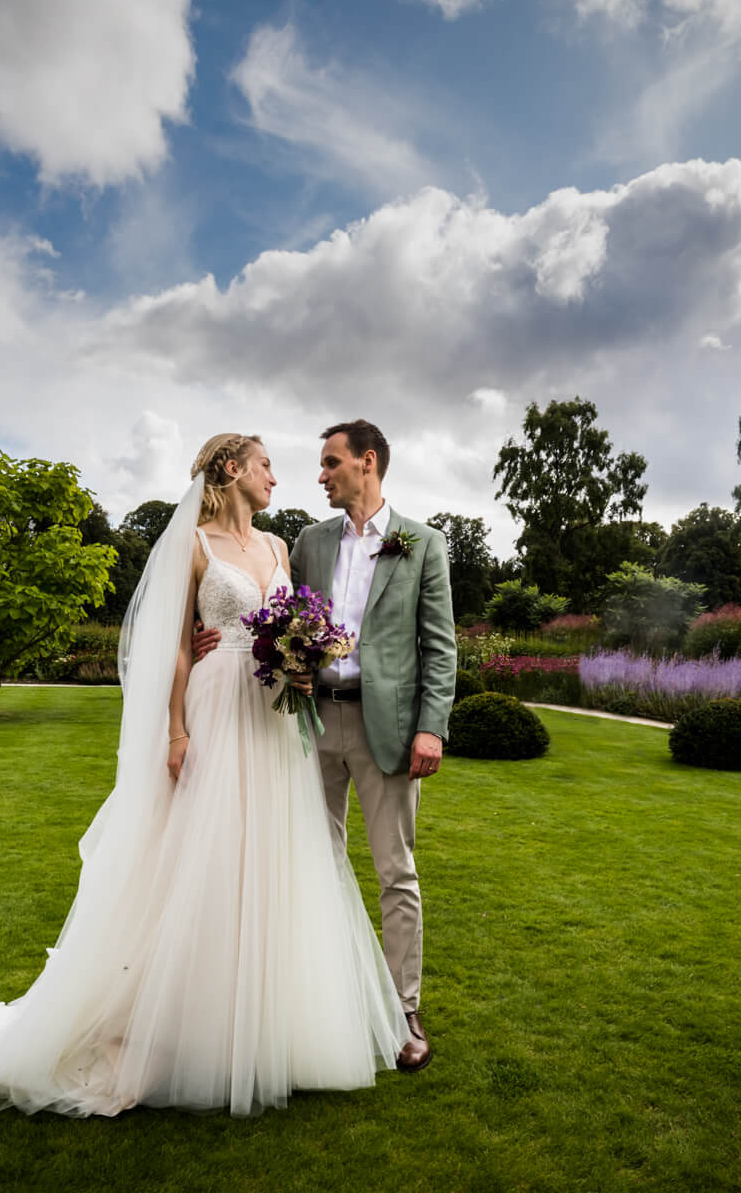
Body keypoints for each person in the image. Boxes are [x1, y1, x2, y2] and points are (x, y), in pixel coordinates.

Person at [0, 433, 406, 1117]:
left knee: (267, 864)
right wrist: (176, 729)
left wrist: (302, 659)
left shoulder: (276, 548)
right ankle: (148, 1031)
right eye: (266, 464)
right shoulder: (195, 544)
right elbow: (178, 649)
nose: (278, 476)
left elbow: (295, 622)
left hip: (271, 718)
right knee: (192, 863)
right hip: (214, 707)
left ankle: (264, 1030)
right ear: (233, 469)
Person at [193, 420, 456, 1072]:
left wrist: (431, 725)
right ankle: (328, 1004)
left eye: (331, 463)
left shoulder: (421, 544)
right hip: (304, 725)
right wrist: (207, 638)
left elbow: (440, 646)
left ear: (367, 463)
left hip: (387, 729)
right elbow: (267, 614)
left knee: (396, 872)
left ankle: (403, 1007)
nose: (319, 475)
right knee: (313, 864)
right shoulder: (307, 542)